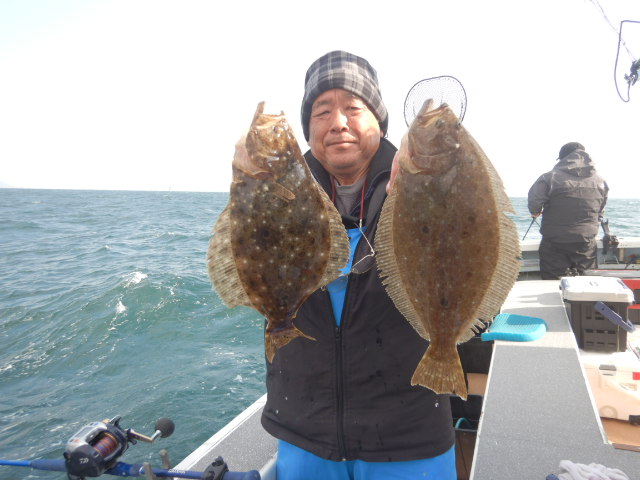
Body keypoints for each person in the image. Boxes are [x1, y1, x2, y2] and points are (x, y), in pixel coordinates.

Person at [260, 50, 456, 480]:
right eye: (321, 111)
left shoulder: (427, 185)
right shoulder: (277, 195)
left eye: (353, 107)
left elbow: (467, 266)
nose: (338, 123)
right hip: (304, 430)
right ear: (308, 128)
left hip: (410, 434)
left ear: (379, 122)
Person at [527, 142, 609, 280]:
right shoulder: (600, 181)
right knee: (586, 282)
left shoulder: (549, 177)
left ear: (562, 158)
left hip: (555, 241)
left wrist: (535, 212)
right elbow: (600, 210)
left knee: (553, 282)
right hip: (586, 241)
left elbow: (535, 202)